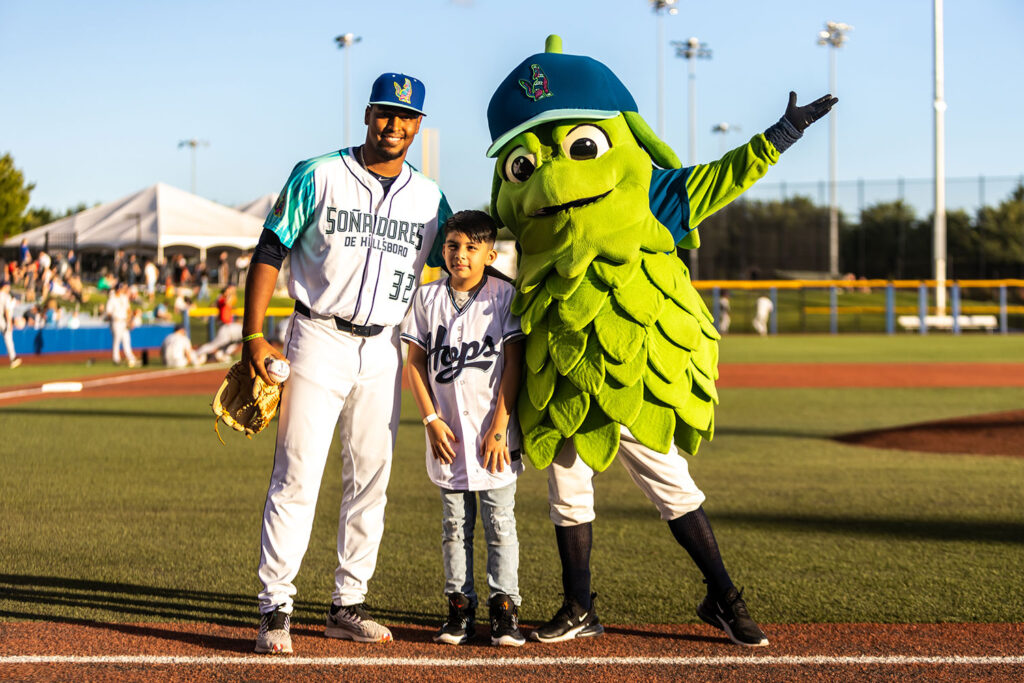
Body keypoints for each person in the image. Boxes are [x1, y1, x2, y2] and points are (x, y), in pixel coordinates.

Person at [242, 72, 452, 655]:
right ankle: (275, 607)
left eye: (407, 116)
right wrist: (253, 335)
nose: (394, 124)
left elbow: (461, 260)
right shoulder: (319, 174)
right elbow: (269, 249)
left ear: (419, 125)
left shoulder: (430, 198)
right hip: (317, 335)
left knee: (372, 476)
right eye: (385, 112)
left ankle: (347, 604)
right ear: (367, 114)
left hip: (385, 345)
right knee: (297, 473)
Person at [401, 211, 526, 647]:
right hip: (447, 434)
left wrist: (500, 427)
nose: (461, 255)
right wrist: (431, 420)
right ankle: (459, 608)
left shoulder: (504, 295)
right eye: (453, 246)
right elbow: (413, 364)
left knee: (500, 525)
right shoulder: (427, 298)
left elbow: (513, 364)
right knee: (454, 526)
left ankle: (504, 609)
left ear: (490, 253)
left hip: (495, 436)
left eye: (472, 248)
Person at [106, 281, 137, 366]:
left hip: (124, 321)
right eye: (121, 288)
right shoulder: (112, 299)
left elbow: (128, 310)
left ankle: (130, 357)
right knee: (117, 340)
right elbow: (108, 312)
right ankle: (116, 358)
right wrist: (112, 320)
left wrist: (131, 320)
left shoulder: (124, 298)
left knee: (126, 339)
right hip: (116, 321)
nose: (122, 290)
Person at [0, 280, 21, 368]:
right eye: (8, 286)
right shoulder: (6, 296)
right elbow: (7, 311)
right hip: (2, 320)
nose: (9, 288)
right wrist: (9, 323)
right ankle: (13, 359)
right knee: (8, 338)